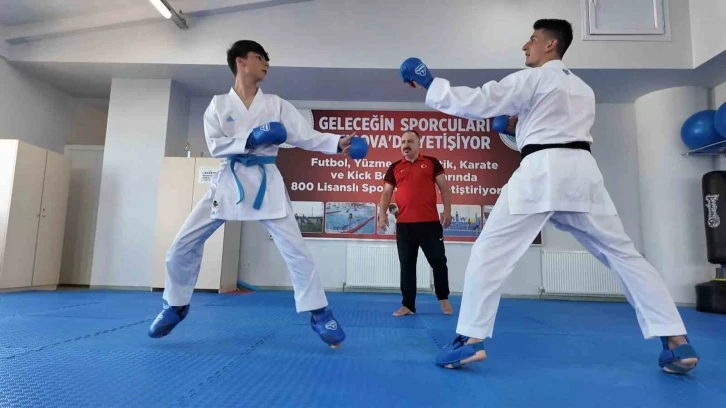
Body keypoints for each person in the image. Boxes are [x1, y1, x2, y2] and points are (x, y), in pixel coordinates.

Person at [399, 19, 700, 374]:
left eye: (532, 39)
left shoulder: (534, 78)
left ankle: (469, 340)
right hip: (582, 175)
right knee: (624, 256)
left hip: (541, 173)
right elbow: (555, 130)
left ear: (550, 45)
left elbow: (482, 100)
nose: (525, 46)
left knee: (489, 252)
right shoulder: (583, 89)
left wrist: (431, 84)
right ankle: (677, 341)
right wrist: (520, 127)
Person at [148, 40, 362, 349]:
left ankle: (319, 312)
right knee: (182, 245)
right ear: (240, 61)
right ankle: (175, 305)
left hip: (266, 181)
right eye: (260, 57)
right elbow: (215, 145)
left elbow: (306, 136)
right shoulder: (218, 104)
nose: (266, 64)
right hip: (229, 181)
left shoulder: (275, 104)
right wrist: (252, 139)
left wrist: (337, 143)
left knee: (296, 250)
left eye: (267, 59)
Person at [378, 130, 454, 317]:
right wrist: (382, 214)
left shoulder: (431, 162)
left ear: (419, 144)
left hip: (430, 224)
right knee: (407, 266)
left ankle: (443, 299)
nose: (406, 145)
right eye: (403, 142)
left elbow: (444, 188)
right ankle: (408, 305)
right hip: (404, 226)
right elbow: (386, 192)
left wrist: (447, 210)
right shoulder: (395, 167)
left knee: (439, 262)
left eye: (410, 141)